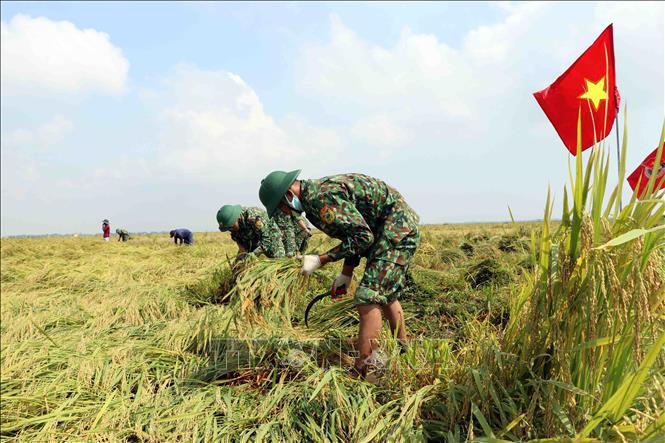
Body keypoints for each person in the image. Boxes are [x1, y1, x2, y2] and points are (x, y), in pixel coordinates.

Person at [259, 170, 420, 377]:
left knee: (367, 297)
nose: (285, 212)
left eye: (281, 206)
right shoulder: (313, 199)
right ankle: (404, 350)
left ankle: (367, 369)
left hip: (396, 230)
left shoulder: (321, 199)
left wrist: (321, 259)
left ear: (289, 194)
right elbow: (353, 234)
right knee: (386, 295)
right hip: (387, 230)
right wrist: (346, 274)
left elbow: (363, 237)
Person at [216, 205, 285, 261]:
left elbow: (266, 241)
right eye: (228, 229)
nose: (230, 230)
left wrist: (252, 256)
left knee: (278, 261)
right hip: (252, 241)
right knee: (240, 264)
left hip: (271, 237)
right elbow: (242, 247)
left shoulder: (253, 216)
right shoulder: (234, 229)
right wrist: (240, 260)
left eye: (230, 227)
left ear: (235, 218)